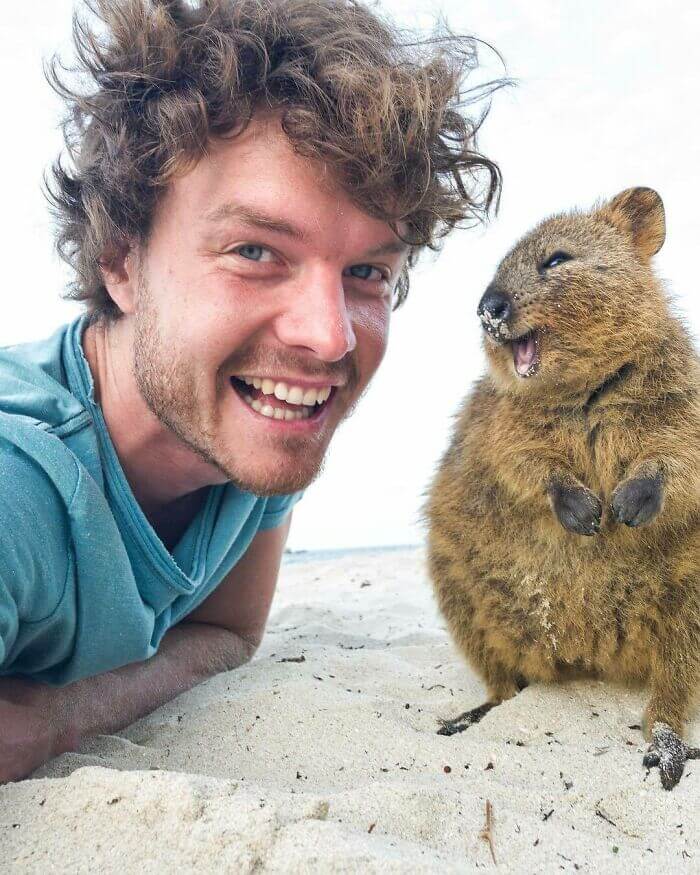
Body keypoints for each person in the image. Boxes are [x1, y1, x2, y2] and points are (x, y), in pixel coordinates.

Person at [0, 0, 502, 782]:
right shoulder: (17, 487)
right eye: (256, 250)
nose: (329, 336)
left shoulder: (244, 428)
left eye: (368, 271)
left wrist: (64, 717)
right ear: (120, 259)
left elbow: (230, 633)